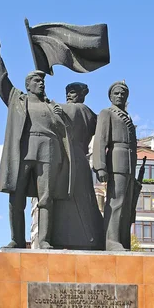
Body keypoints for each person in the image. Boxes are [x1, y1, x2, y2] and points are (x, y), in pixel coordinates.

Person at [0, 28, 72, 249]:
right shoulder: (18, 100)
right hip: (24, 151)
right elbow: (0, 81)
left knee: (46, 198)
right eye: (36, 80)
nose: (41, 83)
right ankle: (17, 239)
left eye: (42, 81)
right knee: (16, 198)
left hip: (49, 151)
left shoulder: (52, 106)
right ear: (28, 85)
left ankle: (44, 240)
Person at [52, 82, 104, 249]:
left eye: (73, 93)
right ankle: (91, 237)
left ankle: (64, 237)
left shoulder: (75, 109)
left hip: (67, 157)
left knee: (68, 198)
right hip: (81, 158)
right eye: (67, 92)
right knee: (84, 198)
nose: (69, 95)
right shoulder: (93, 115)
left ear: (81, 95)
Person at [93, 81, 137, 251]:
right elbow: (100, 140)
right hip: (116, 161)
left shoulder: (127, 116)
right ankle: (111, 240)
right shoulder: (107, 113)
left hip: (129, 164)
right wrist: (101, 166)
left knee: (126, 204)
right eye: (117, 93)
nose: (120, 96)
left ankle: (123, 240)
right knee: (115, 201)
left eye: (123, 94)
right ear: (110, 96)